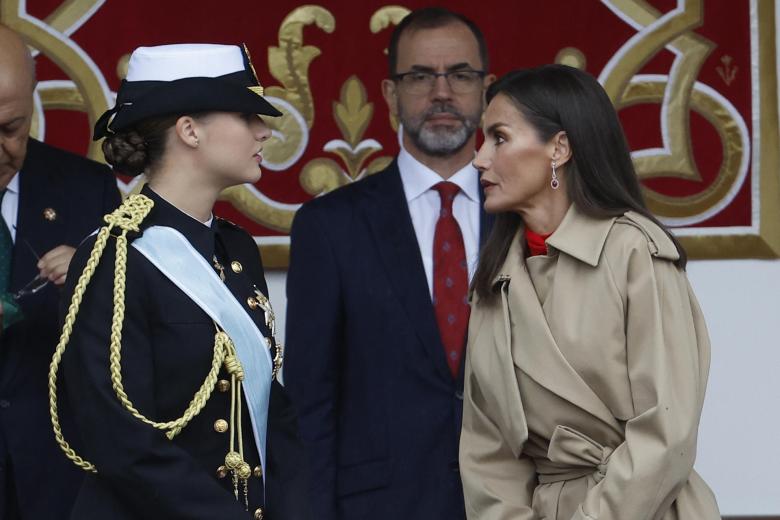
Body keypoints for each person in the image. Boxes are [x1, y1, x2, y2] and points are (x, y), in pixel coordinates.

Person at [50, 43, 303, 520]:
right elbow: (120, 439)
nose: (264, 131)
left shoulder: (237, 250)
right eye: (247, 115)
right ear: (190, 130)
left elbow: (271, 407)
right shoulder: (114, 258)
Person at [460, 64, 720, 519]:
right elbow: (488, 452)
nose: (480, 158)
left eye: (499, 138)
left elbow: (667, 431)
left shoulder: (633, 251)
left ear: (558, 148)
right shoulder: (494, 282)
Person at [285, 7, 494, 520]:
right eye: (420, 76)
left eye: (460, 75)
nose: (442, 92)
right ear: (390, 94)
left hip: (514, 503)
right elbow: (311, 403)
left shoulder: (525, 217)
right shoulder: (329, 226)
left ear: (487, 90)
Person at [0, 24, 121, 519]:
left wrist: (91, 281)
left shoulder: (86, 189)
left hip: (58, 480)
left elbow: (129, 338)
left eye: (10, 129)